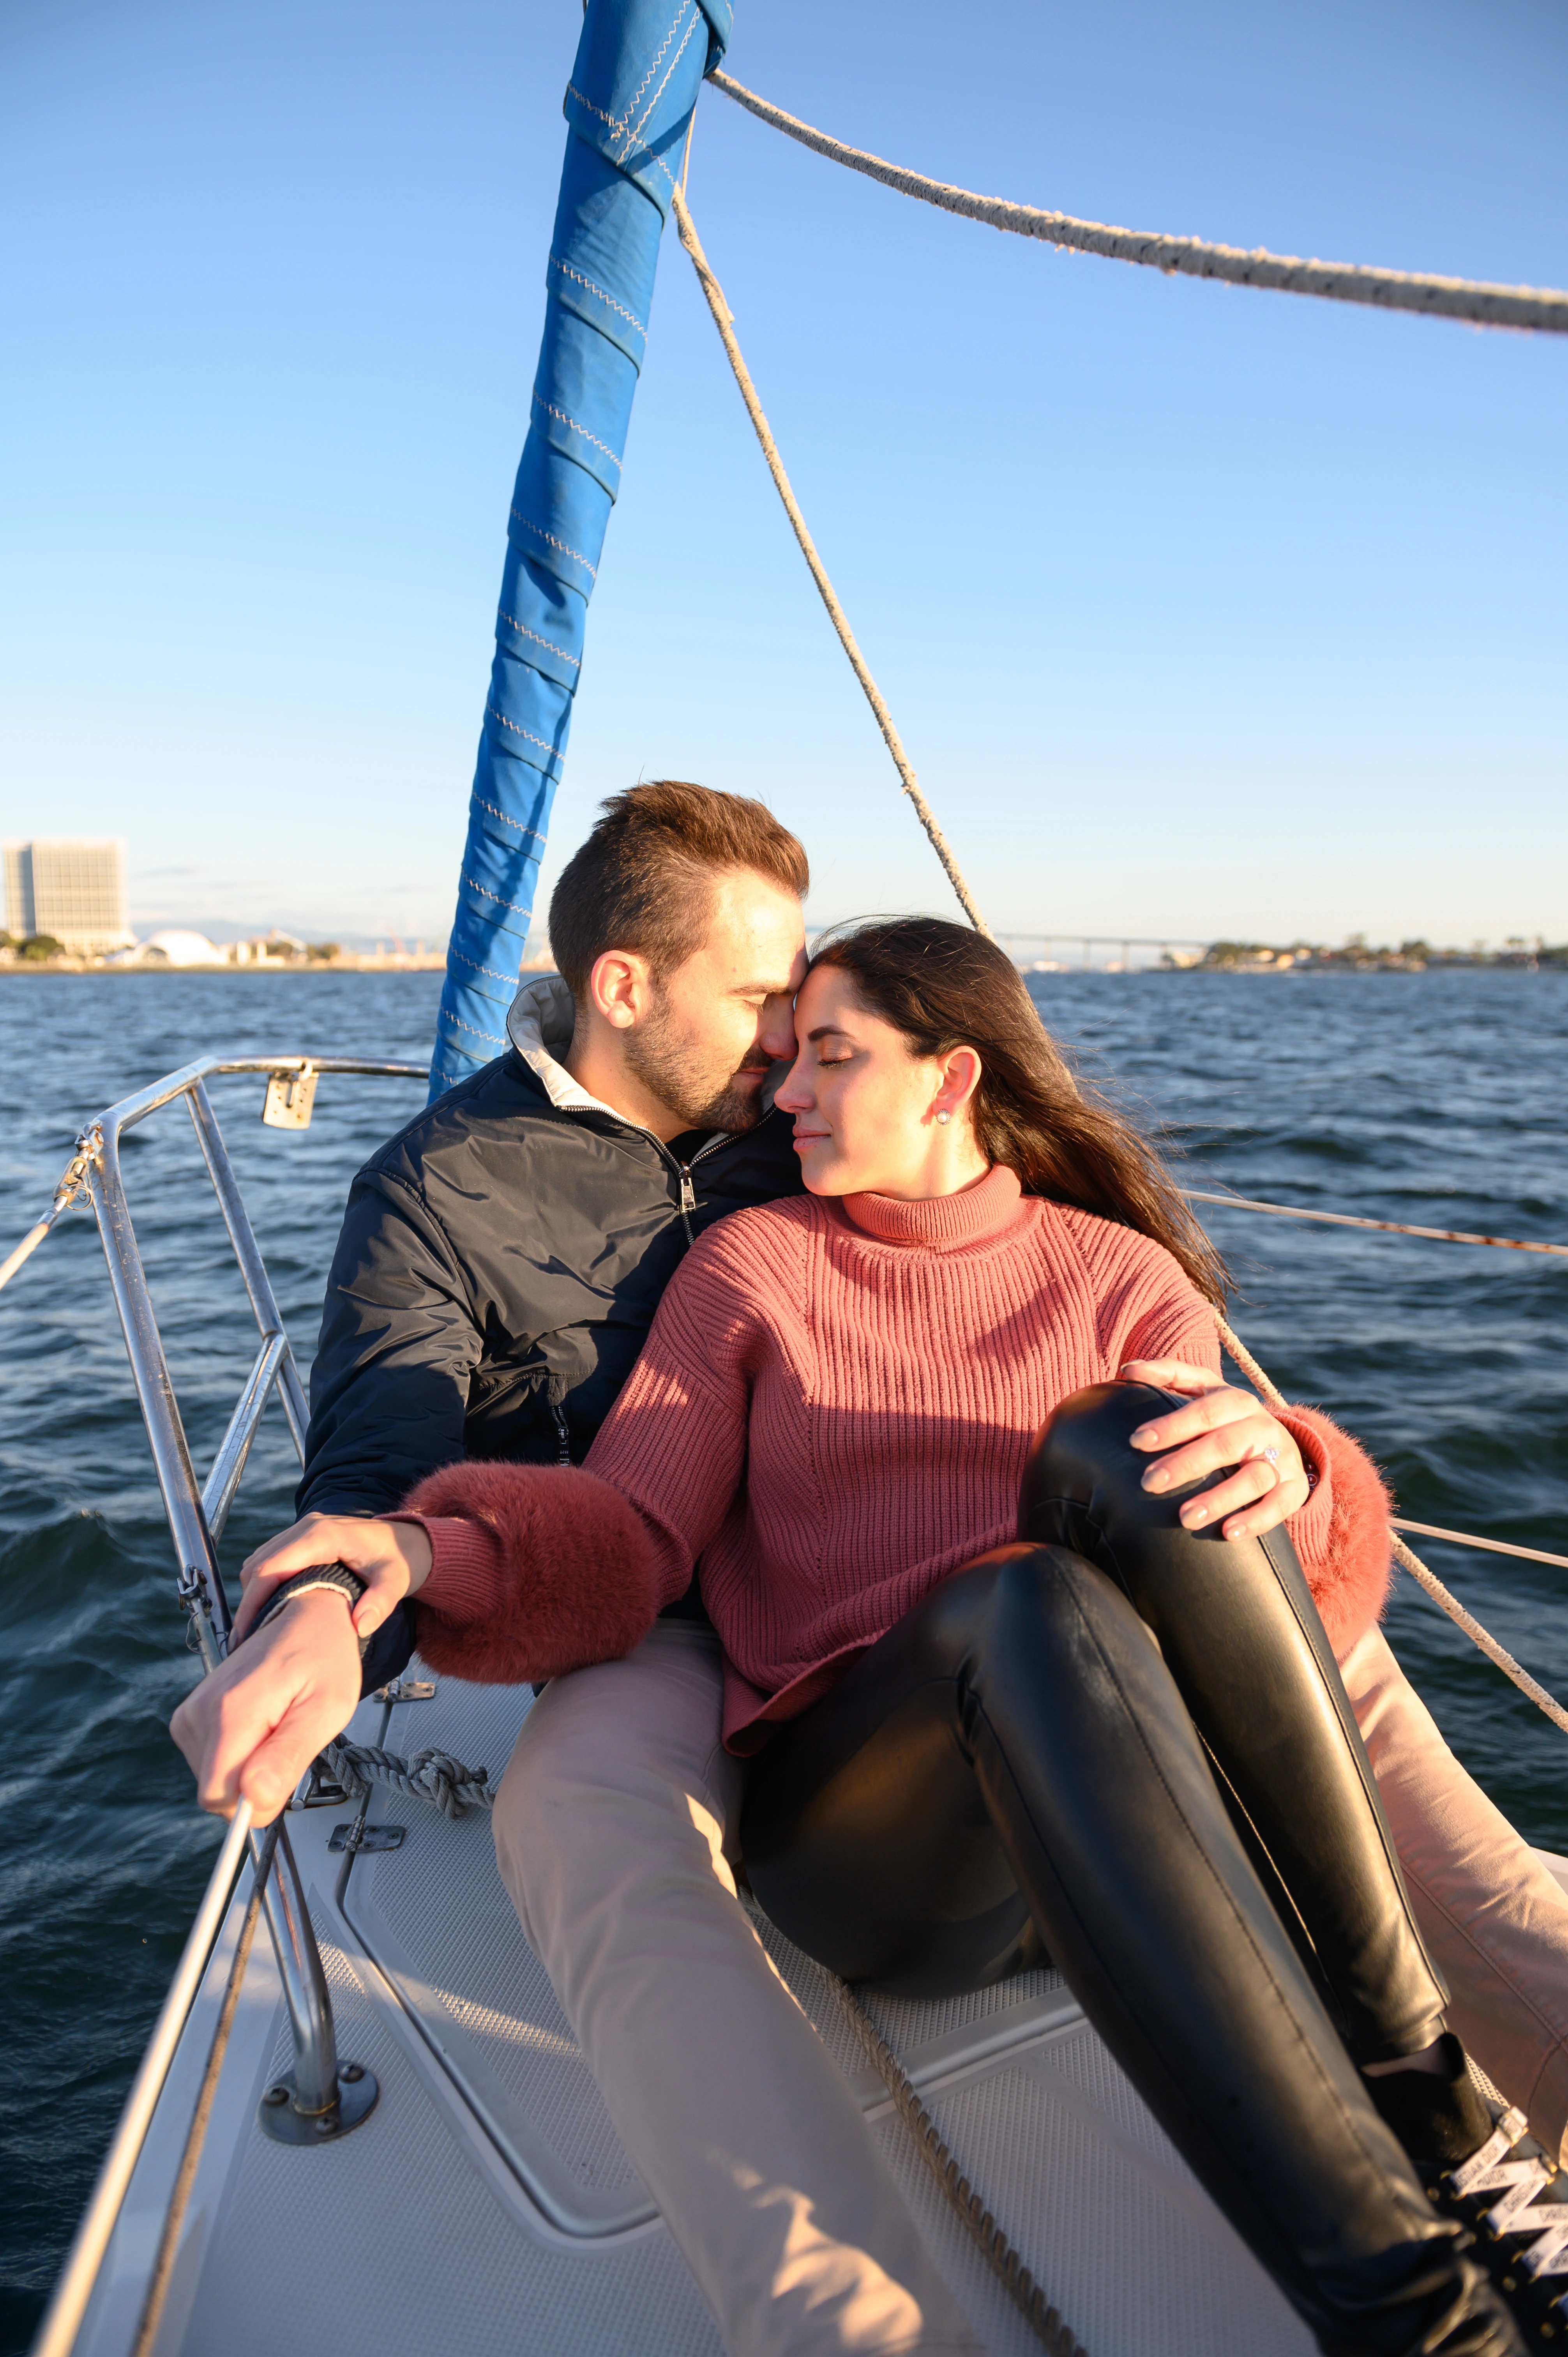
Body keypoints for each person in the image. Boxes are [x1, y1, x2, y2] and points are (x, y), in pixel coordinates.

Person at [173, 793, 1568, 2355]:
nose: (789, 1050)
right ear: (626, 988)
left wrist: (1290, 1462)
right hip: (666, 1609)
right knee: (588, 1806)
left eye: (817, 1024)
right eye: (772, 1004)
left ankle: (1497, 2073)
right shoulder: (455, 1192)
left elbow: (1025, 1241)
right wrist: (343, 1592)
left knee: (1224, 1543)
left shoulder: (864, 1156)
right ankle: (852, 2321)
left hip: (997, 1589)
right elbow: (402, 1464)